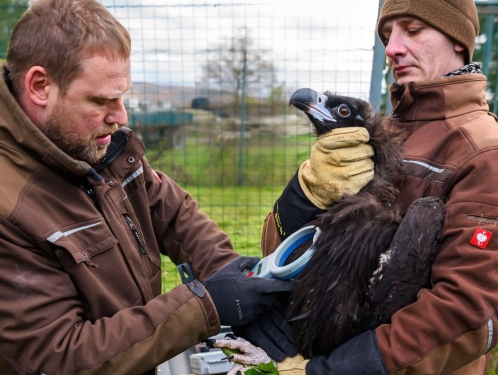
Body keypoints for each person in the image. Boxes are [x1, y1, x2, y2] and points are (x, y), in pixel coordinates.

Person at [0, 1, 296, 374]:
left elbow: (171, 212)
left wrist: (232, 275)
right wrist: (206, 307)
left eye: (122, 96)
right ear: (40, 86)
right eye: (101, 100)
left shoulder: (98, 145)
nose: (121, 116)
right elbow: (60, 355)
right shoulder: (9, 206)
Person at [221, 0, 498, 374]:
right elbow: (280, 254)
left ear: (458, 40)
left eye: (412, 31)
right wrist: (307, 195)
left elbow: (469, 311)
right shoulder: (370, 137)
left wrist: (328, 371)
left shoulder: (484, 151)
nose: (393, 48)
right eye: (388, 35)